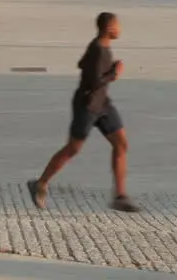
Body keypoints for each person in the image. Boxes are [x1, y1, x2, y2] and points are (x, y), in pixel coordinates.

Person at [27, 12, 140, 213]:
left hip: (103, 105)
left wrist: (108, 69)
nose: (120, 29)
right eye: (118, 25)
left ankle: (120, 195)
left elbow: (81, 64)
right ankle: (41, 183)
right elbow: (96, 81)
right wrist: (115, 73)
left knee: (121, 143)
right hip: (87, 107)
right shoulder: (98, 49)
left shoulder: (100, 47)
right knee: (73, 149)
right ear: (109, 29)